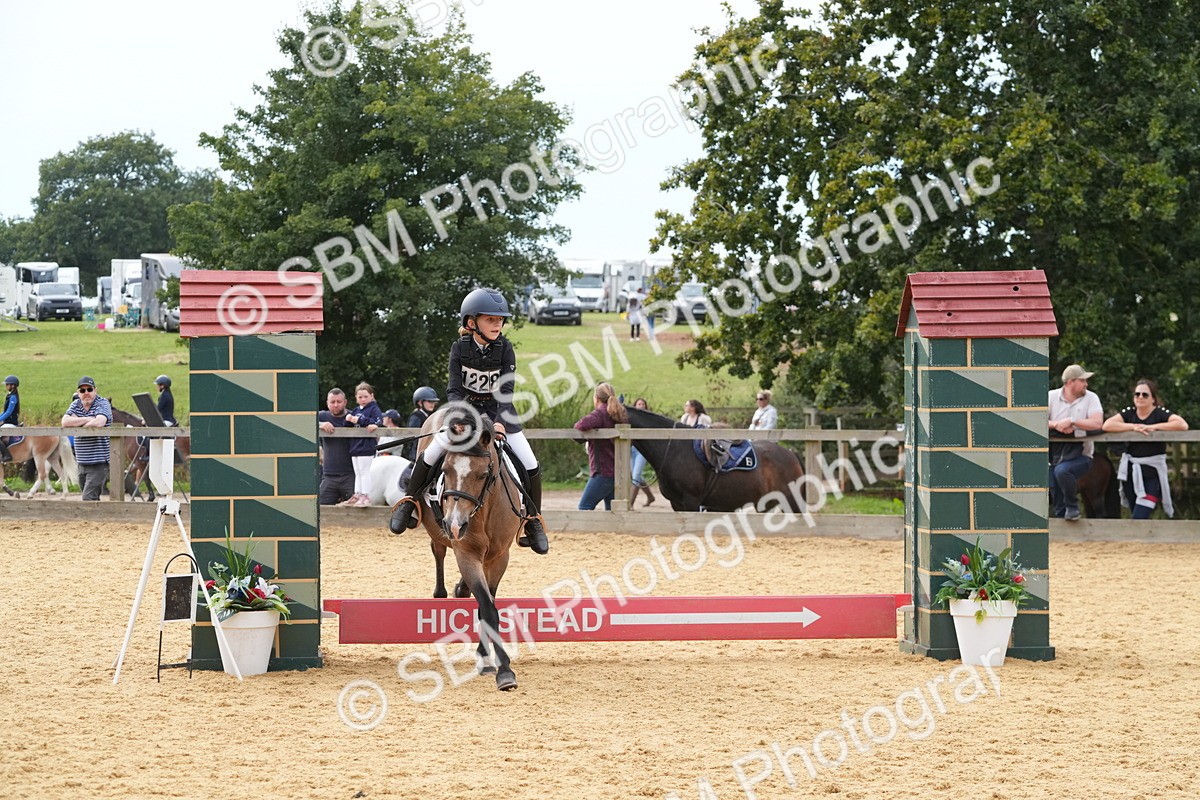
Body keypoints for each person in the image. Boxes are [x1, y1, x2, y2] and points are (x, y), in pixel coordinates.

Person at [389, 288, 550, 555]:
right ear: (472, 322)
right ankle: (409, 503)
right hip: (465, 413)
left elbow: (506, 393)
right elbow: (453, 390)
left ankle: (533, 521)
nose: (497, 324)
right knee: (431, 453)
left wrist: (499, 423)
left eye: (500, 320)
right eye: (491, 319)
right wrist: (462, 418)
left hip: (500, 414)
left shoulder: (505, 349)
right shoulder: (459, 348)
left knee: (530, 464)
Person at [1102, 378, 1188, 519]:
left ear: (1153, 398)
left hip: (1152, 472)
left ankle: (1134, 537)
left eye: (1145, 394)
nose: (1140, 397)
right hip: (1130, 471)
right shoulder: (1129, 413)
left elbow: (1182, 424)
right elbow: (1107, 425)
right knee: (1135, 511)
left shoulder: (1160, 413)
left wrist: (1154, 426)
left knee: (1140, 515)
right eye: (1137, 394)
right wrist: (1133, 427)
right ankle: (1140, 540)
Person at [1048, 364, 1104, 520]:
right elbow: (1037, 420)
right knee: (1054, 484)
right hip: (1054, 455)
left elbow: (1098, 423)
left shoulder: (1091, 397)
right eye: (1083, 380)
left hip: (1083, 456)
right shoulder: (1051, 396)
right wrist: (1057, 425)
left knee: (1062, 471)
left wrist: (1072, 422)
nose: (1086, 384)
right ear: (1071, 382)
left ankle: (1072, 507)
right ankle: (1062, 524)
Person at [574, 382, 628, 510]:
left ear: (596, 398)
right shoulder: (619, 413)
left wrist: (588, 434)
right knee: (611, 511)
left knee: (584, 506)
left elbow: (580, 426)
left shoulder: (600, 413)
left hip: (602, 471)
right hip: (617, 471)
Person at [61, 376, 112, 501]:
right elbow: (65, 422)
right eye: (82, 391)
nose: (86, 393)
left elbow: (100, 422)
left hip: (98, 462)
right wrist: (88, 419)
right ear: (78, 393)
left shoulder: (102, 402)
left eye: (89, 389)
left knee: (87, 498)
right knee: (92, 500)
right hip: (82, 462)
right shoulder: (76, 403)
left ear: (95, 390)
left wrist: (78, 424)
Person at [343, 382, 383, 507]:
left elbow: (378, 421)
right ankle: (358, 493)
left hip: (366, 445)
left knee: (365, 471)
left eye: (365, 396)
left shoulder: (373, 408)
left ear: (371, 396)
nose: (363, 399)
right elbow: (347, 426)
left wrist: (360, 420)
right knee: (358, 472)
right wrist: (348, 420)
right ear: (356, 398)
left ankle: (366, 496)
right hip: (355, 445)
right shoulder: (355, 410)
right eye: (360, 397)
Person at [318, 388, 355, 505]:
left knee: (358, 511)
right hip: (329, 475)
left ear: (345, 402)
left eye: (339, 402)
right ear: (327, 403)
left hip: (351, 475)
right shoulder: (322, 416)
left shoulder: (353, 416)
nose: (336, 405)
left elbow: (373, 423)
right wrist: (320, 424)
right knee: (319, 511)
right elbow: (303, 420)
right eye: (332, 402)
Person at [630, 397, 655, 507]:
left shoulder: (648, 419)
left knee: (636, 476)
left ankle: (630, 504)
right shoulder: (631, 418)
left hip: (642, 450)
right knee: (637, 476)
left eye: (642, 404)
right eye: (639, 404)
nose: (641, 406)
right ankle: (650, 496)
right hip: (631, 449)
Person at [403, 386, 440, 461]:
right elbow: (413, 438)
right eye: (429, 401)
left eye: (433, 402)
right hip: (416, 452)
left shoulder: (429, 416)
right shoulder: (416, 416)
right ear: (420, 403)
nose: (432, 404)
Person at [0, 375, 20, 463]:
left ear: (12, 385)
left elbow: (9, 412)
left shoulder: (13, 397)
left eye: (7, 384)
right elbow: (4, 411)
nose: (6, 386)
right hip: (7, 421)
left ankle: (6, 455)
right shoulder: (9, 395)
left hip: (11, 422)